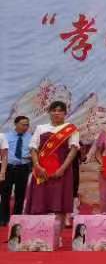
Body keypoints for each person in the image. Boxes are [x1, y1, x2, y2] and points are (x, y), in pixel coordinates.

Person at [26, 101, 80, 236]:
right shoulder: (40, 128)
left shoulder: (70, 129)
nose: (56, 113)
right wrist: (37, 166)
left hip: (61, 171)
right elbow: (33, 148)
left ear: (65, 113)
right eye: (54, 110)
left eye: (60, 110)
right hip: (41, 171)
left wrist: (62, 169)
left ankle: (57, 237)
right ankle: (38, 236)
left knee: (59, 205)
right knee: (39, 202)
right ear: (49, 112)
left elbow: (73, 150)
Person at [1, 116, 32, 227]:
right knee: (5, 194)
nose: (25, 127)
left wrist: (31, 157)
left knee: (20, 194)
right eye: (23, 124)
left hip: (23, 167)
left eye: (27, 125)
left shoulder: (31, 137)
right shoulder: (6, 136)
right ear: (16, 124)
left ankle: (16, 219)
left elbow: (35, 152)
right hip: (8, 167)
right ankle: (3, 218)